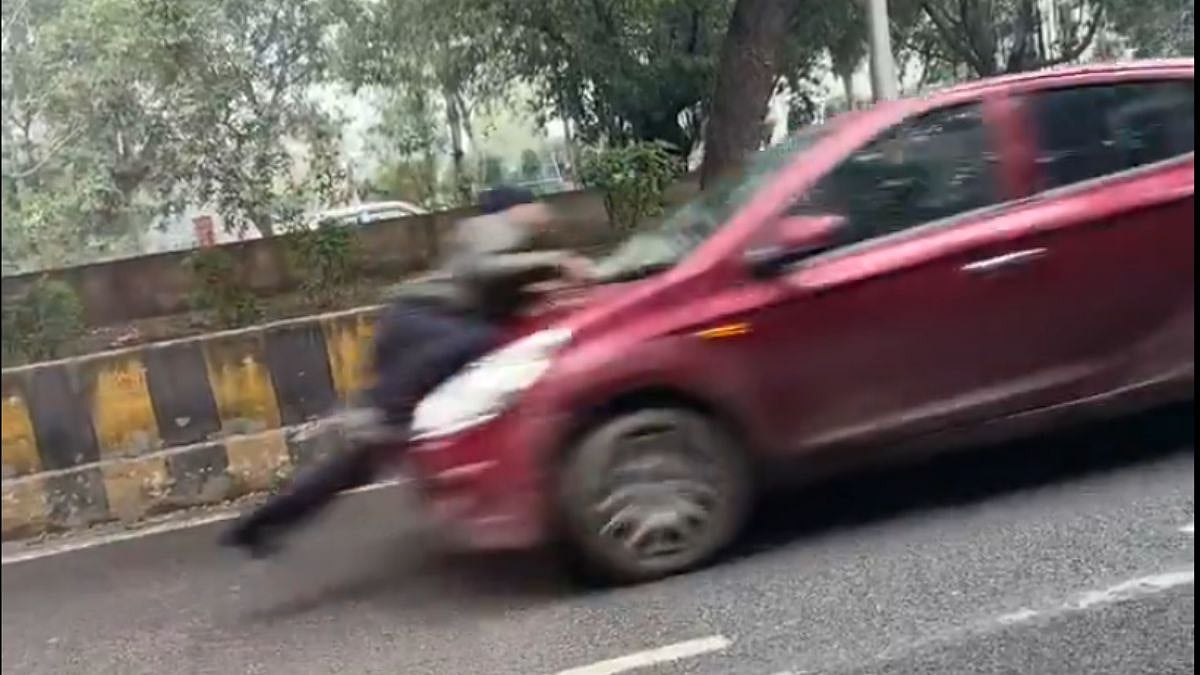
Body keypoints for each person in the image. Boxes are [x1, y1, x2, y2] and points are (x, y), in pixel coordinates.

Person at [221, 186, 592, 557]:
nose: (546, 212)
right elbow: (482, 270)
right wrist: (556, 260)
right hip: (421, 323)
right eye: (536, 205)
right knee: (487, 341)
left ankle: (259, 525)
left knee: (362, 463)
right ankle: (380, 412)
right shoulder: (489, 226)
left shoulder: (519, 243)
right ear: (517, 207)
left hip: (426, 331)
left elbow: (506, 287)